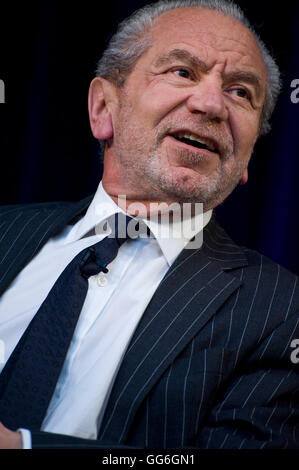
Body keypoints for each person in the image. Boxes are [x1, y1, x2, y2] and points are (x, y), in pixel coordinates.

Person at [0, 0, 298, 449]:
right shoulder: (6, 231)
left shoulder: (281, 310)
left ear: (247, 159)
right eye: (182, 71)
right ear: (104, 108)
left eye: (241, 92)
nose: (212, 103)